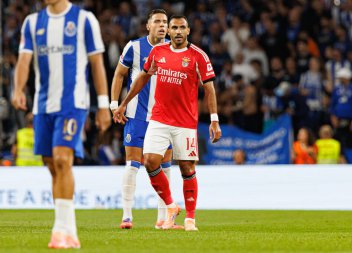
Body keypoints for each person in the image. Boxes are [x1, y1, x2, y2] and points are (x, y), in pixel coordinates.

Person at [12, 0, 111, 249]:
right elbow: (24, 60)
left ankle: (60, 230)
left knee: (62, 159)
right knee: (52, 166)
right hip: (43, 106)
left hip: (73, 103)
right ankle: (70, 229)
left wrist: (102, 104)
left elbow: (97, 63)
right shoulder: (32, 23)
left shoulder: (84, 20)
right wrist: (18, 89)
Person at [113, 15, 222, 231]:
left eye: (182, 27)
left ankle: (190, 218)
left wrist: (214, 119)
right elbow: (142, 78)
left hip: (185, 122)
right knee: (150, 161)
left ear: (188, 30)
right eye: (174, 27)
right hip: (159, 119)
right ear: (169, 32)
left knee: (187, 167)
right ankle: (171, 207)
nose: (178, 31)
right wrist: (124, 103)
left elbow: (209, 88)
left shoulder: (198, 56)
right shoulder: (157, 52)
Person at [109, 9, 181, 230]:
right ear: (148, 26)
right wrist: (114, 104)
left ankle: (163, 219)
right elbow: (120, 74)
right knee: (133, 164)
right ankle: (127, 216)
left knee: (164, 167)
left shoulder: (175, 49)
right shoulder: (135, 47)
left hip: (164, 118)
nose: (162, 25)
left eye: (165, 22)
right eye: (157, 21)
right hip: (137, 115)